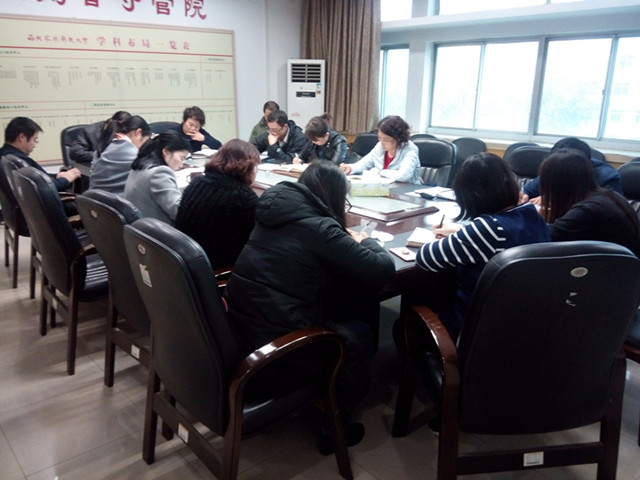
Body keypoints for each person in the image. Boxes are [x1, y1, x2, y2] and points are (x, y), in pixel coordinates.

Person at [224, 160, 396, 451]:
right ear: (335, 196)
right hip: (280, 353)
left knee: (341, 307)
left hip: (241, 334)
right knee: (362, 332)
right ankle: (335, 426)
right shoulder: (320, 228)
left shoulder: (272, 213)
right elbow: (382, 270)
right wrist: (367, 241)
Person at [415, 152, 551, 341]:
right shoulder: (531, 214)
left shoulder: (487, 228)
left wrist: (463, 235)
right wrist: (461, 232)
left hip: (473, 330)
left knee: (409, 322)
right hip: (521, 324)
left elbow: (425, 258)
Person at [175, 139, 260, 269]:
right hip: (217, 270)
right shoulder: (245, 198)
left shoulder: (196, 183)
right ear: (248, 168)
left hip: (183, 262)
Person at [539, 148, 640, 257]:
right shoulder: (608, 195)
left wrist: (531, 216)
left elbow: (540, 239)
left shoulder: (588, 210)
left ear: (556, 183)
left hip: (618, 266)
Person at [521, 136, 622, 204]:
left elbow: (603, 209)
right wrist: (523, 197)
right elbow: (527, 192)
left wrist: (553, 199)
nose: (559, 173)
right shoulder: (555, 169)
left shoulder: (607, 178)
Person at [123, 130, 189, 224]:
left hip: (139, 228)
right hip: (158, 229)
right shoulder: (159, 173)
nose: (182, 164)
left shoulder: (140, 166)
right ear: (166, 151)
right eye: (181, 158)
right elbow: (178, 212)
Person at [0, 116, 81, 191]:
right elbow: (47, 187)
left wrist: (57, 176)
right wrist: (66, 179)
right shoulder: (20, 161)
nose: (34, 145)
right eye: (34, 140)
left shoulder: (4, 155)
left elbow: (40, 178)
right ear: (22, 137)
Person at [340, 115, 421, 184]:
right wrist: (349, 168)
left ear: (398, 138)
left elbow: (404, 176)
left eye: (386, 139)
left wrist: (380, 172)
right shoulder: (380, 146)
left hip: (407, 192)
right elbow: (364, 164)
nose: (382, 142)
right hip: (384, 189)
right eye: (379, 138)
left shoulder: (410, 149)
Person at [89, 115, 151, 195]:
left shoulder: (107, 146)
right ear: (138, 132)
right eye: (145, 142)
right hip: (116, 201)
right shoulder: (131, 153)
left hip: (95, 200)